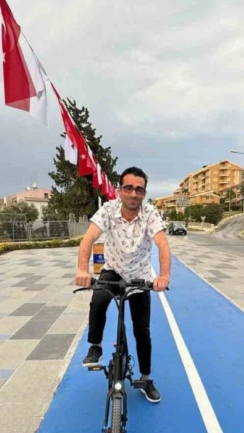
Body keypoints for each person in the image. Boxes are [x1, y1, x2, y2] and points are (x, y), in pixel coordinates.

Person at [75, 166, 171, 404]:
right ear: (119, 190)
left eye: (139, 189)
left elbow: (163, 246)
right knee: (98, 300)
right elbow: (88, 240)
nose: (133, 193)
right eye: (128, 188)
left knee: (142, 331)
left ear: (144, 193)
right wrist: (82, 270)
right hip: (113, 271)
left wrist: (164, 276)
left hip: (139, 276)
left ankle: (146, 378)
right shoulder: (108, 210)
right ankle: (95, 345)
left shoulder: (150, 214)